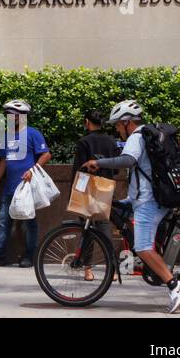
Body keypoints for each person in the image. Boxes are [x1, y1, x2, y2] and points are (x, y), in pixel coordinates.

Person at [82, 100, 180, 313]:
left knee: (142, 247)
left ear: (127, 122)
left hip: (148, 201)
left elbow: (127, 160)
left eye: (117, 125)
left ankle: (174, 285)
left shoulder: (137, 136)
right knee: (121, 212)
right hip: (145, 198)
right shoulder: (146, 135)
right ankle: (162, 272)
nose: (116, 129)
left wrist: (99, 163)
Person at [0, 98, 50, 267]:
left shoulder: (33, 134)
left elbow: (46, 155)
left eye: (13, 115)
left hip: (26, 188)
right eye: (8, 115)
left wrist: (32, 171)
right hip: (9, 188)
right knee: (4, 221)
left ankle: (30, 256)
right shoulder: (7, 135)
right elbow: (4, 161)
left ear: (23, 116)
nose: (10, 118)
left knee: (29, 223)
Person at [72, 109, 119, 281]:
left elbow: (79, 169)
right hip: (105, 188)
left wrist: (75, 190)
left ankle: (88, 270)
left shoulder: (84, 141)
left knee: (86, 230)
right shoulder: (111, 140)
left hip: (86, 189)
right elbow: (116, 169)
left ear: (87, 122)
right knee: (105, 229)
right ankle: (112, 270)